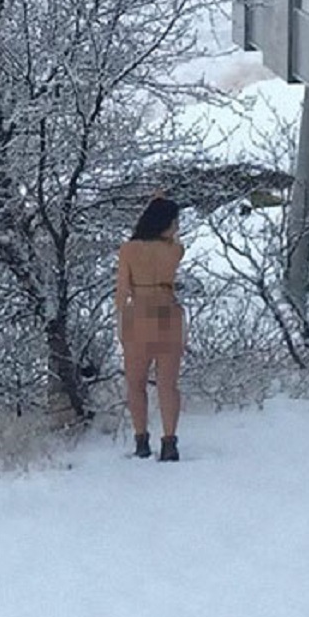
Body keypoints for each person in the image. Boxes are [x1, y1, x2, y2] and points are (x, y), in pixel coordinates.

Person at [116, 196, 185, 461]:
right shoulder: (175, 250)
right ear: (165, 223)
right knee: (168, 385)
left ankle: (141, 439)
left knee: (136, 383)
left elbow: (122, 290)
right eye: (175, 221)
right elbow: (173, 245)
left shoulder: (128, 250)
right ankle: (169, 442)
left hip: (139, 315)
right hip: (168, 314)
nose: (177, 227)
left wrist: (120, 322)